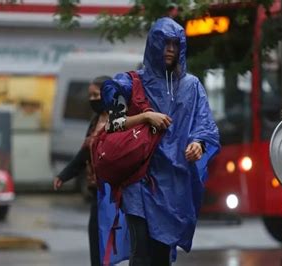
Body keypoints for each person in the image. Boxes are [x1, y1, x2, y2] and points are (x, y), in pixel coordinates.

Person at [100, 17, 220, 266]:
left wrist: (198, 143)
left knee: (161, 255)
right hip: (139, 181)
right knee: (141, 252)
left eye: (175, 44)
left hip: (173, 185)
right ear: (153, 45)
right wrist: (144, 116)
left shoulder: (192, 86)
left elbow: (205, 125)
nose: (170, 50)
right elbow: (113, 125)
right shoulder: (133, 83)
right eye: (164, 43)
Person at [52, 75, 111, 266]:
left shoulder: (122, 118)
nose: (93, 99)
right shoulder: (95, 122)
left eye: (97, 94)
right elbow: (83, 154)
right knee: (96, 237)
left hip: (117, 193)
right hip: (97, 191)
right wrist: (64, 175)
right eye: (90, 95)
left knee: (117, 243)